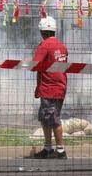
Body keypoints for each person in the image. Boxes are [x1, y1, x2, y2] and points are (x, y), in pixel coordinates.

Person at [30, 16, 69, 159]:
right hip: (60, 87)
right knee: (45, 118)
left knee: (53, 119)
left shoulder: (44, 46)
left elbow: (34, 65)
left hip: (49, 88)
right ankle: (48, 149)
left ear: (42, 32)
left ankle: (60, 150)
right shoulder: (62, 46)